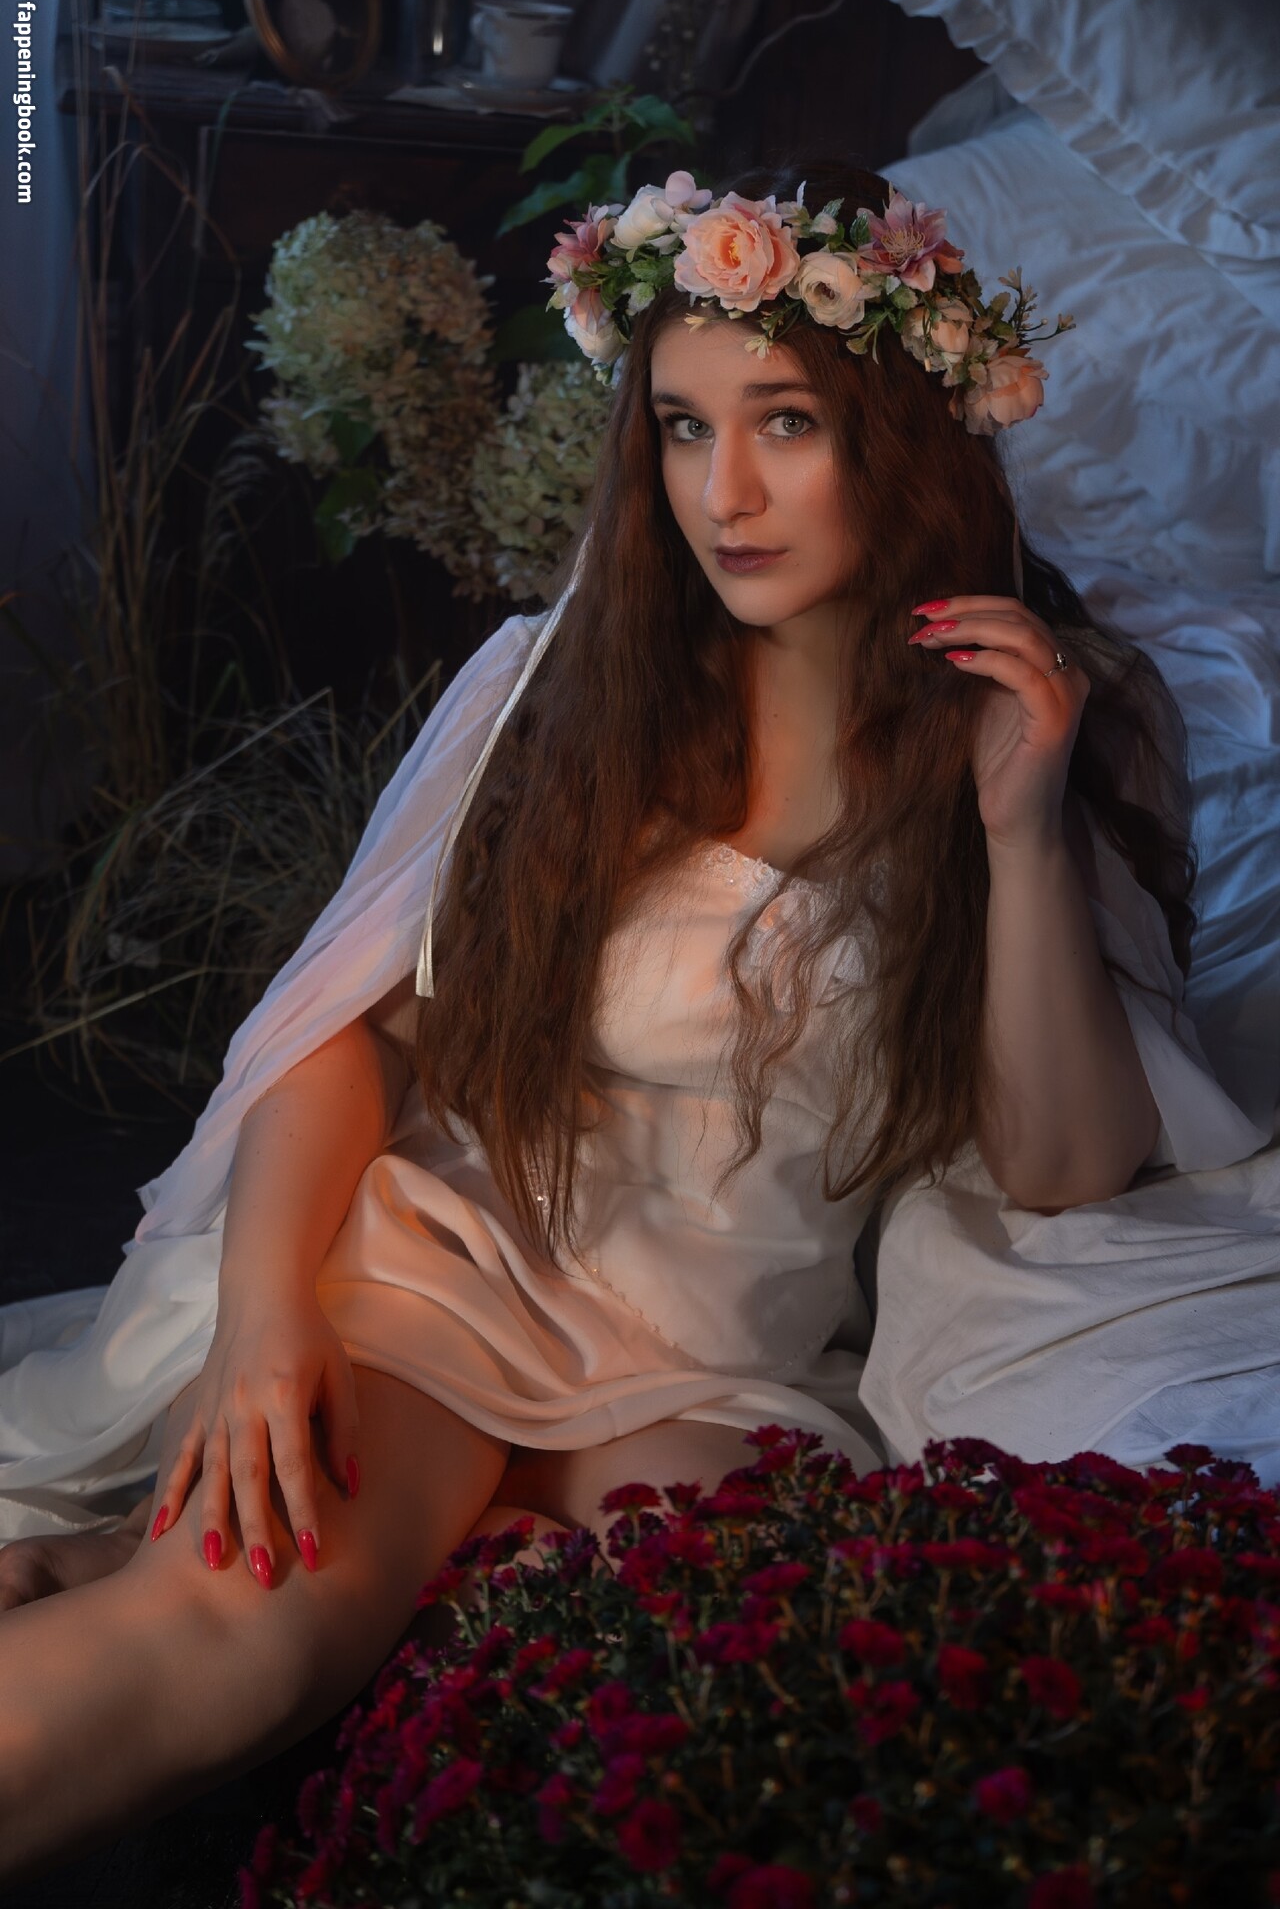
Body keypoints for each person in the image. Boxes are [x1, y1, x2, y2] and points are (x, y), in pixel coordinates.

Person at [0, 155, 1199, 1882]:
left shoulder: (1058, 718)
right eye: (685, 429)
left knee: (715, 1632)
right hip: (457, 1276)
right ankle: (199, 1572)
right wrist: (265, 1319)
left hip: (721, 1364)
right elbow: (357, 1035)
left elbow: (1066, 1168)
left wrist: (1019, 832)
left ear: (907, 434)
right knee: (248, 1632)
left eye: (786, 423)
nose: (726, 493)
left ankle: (190, 1555)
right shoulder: (558, 688)